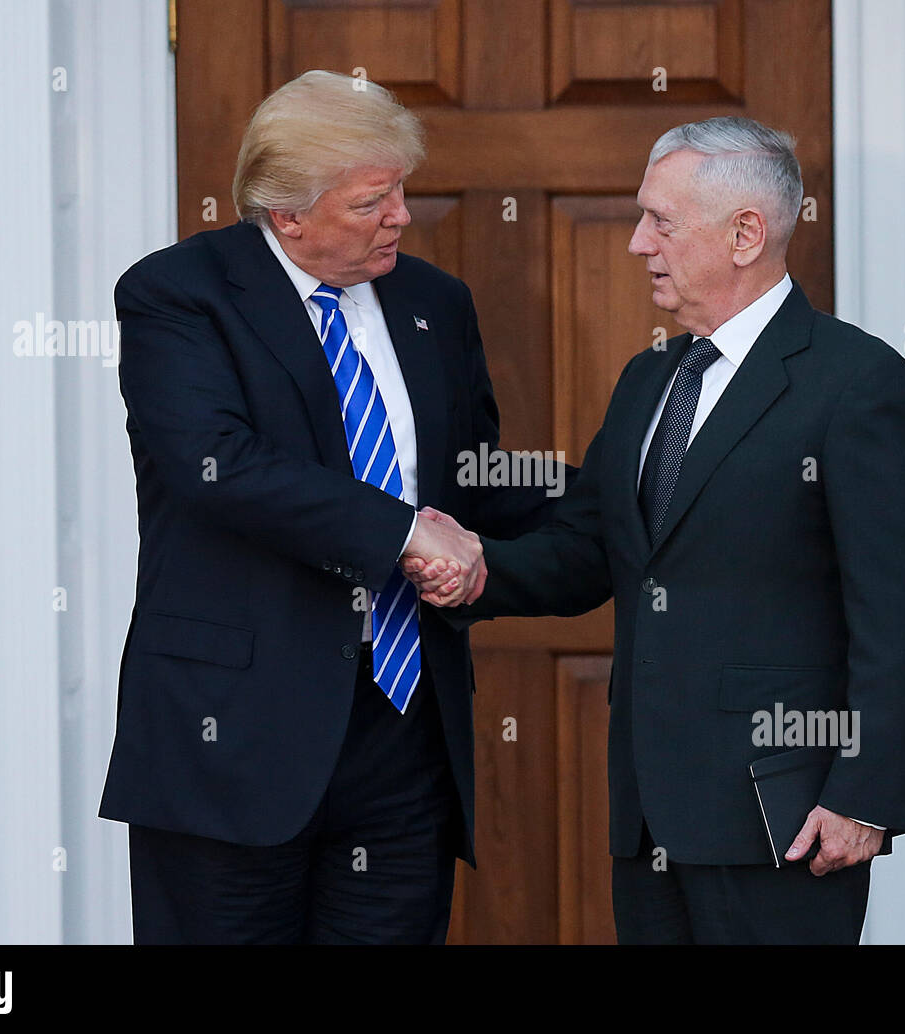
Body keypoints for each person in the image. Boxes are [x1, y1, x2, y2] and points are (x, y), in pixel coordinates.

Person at [407, 116, 905, 944]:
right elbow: (591, 550)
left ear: (745, 234)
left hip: (787, 818)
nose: (635, 243)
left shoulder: (857, 383)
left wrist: (864, 795)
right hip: (649, 815)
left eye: (660, 220)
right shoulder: (651, 378)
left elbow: (900, 614)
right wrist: (480, 575)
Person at [98, 70, 558, 943]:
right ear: (287, 214)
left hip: (402, 736)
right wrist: (402, 532)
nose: (402, 217)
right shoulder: (177, 295)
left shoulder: (433, 301)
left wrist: (619, 489)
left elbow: (468, 472)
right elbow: (219, 467)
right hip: (230, 741)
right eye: (372, 202)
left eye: (400, 192)